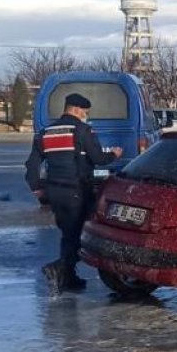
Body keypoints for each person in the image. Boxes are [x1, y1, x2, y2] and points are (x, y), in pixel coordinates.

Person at [25, 93, 122, 292]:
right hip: (76, 190)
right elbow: (97, 158)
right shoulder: (82, 130)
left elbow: (32, 164)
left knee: (68, 234)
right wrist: (114, 154)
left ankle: (69, 278)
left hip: (54, 192)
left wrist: (37, 188)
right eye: (85, 112)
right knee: (80, 237)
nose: (86, 116)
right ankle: (57, 268)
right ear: (77, 109)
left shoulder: (46, 133)